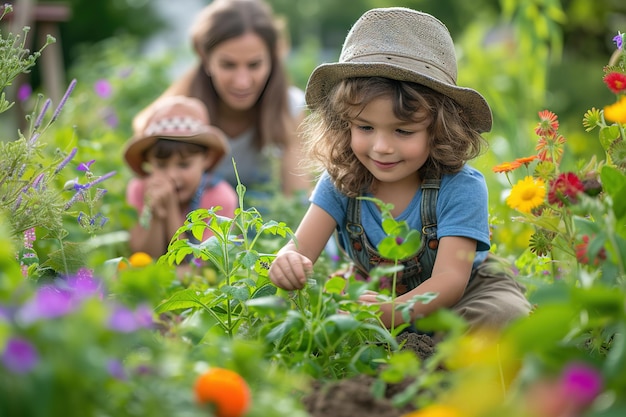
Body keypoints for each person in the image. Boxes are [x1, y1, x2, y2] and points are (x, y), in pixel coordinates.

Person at [268, 7, 531, 331]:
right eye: (365, 128)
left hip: (466, 294)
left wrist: (395, 312)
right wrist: (287, 260)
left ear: (439, 129)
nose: (381, 147)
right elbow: (301, 246)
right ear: (343, 122)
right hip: (375, 296)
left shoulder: (461, 187)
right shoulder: (341, 181)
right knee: (322, 322)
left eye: (403, 131)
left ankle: (438, 348)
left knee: (502, 316)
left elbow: (450, 279)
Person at [133, 0, 310, 199]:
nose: (242, 82)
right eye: (228, 65)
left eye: (254, 65)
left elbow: (297, 200)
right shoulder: (180, 111)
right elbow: (143, 129)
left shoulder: (289, 107)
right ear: (205, 57)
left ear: (273, 58)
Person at [124, 95, 238, 259]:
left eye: (184, 165)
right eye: (161, 165)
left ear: (207, 159)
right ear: (148, 161)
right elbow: (144, 256)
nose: (172, 175)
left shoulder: (219, 197)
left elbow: (199, 264)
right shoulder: (140, 189)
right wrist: (156, 214)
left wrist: (170, 209)